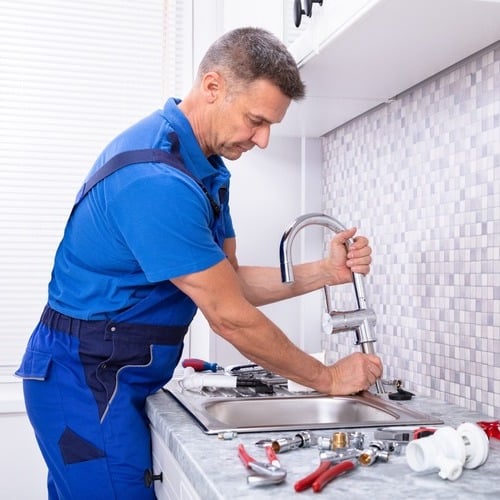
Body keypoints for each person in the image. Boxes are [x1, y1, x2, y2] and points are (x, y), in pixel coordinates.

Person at [16, 27, 383, 499]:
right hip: (84, 381)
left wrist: (324, 273)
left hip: (113, 374)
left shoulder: (205, 166)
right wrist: (328, 378)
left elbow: (227, 282)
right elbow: (230, 317)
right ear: (213, 87)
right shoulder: (156, 181)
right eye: (256, 120)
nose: (264, 139)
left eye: (271, 124)